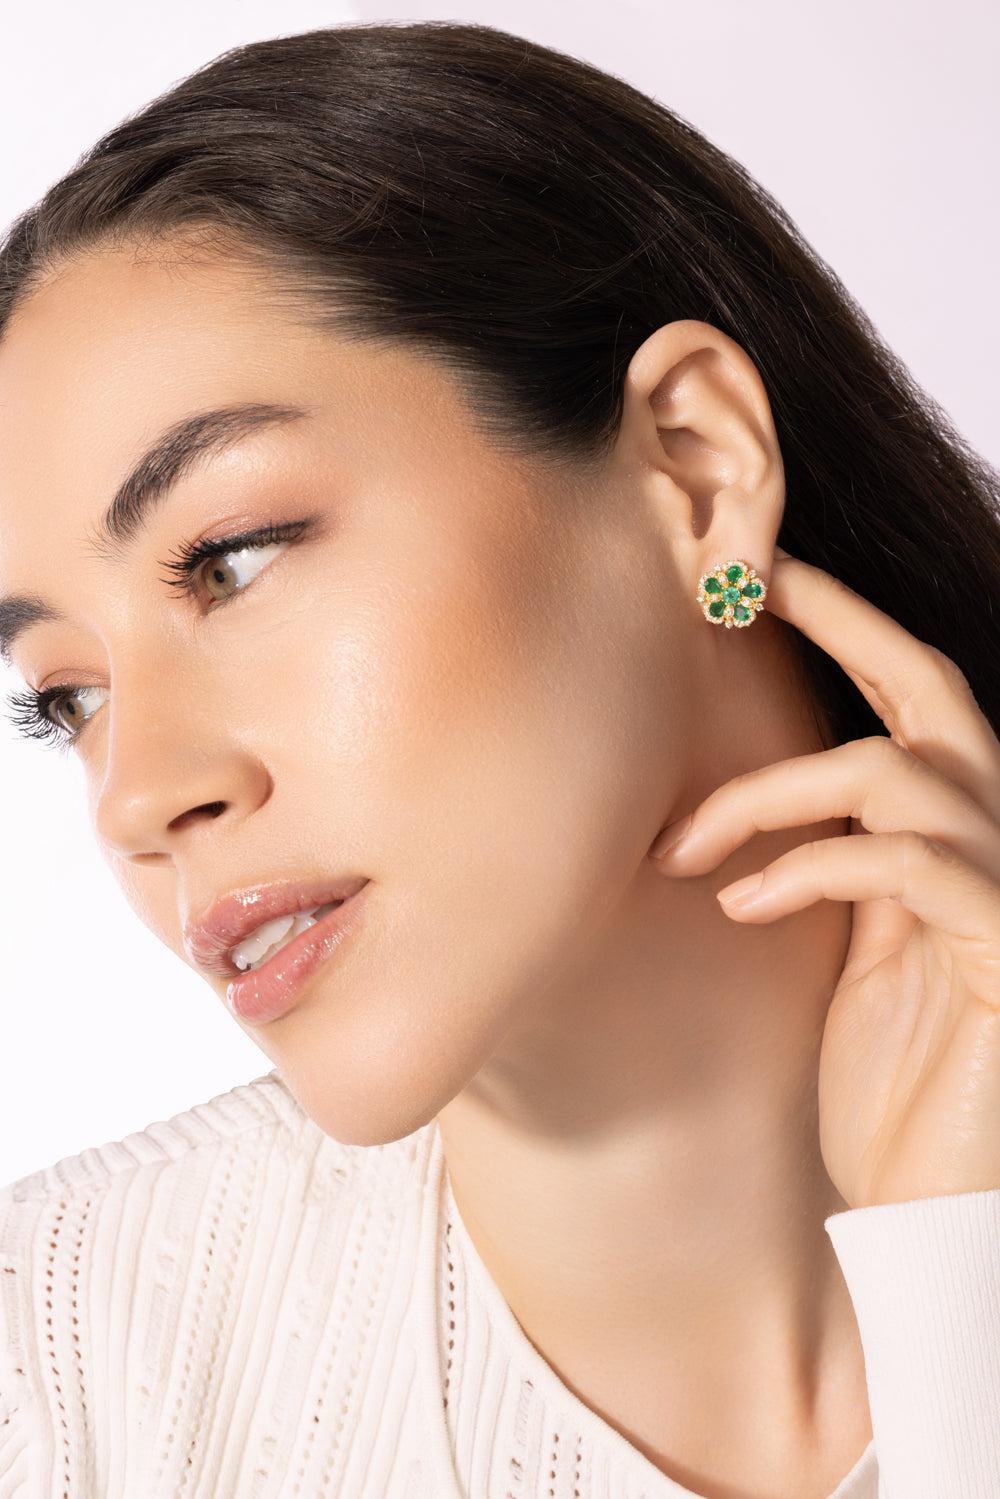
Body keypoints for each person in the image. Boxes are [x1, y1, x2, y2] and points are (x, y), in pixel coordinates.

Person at [1, 20, 998, 1499]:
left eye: (233, 558)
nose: (139, 795)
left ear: (696, 468)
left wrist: (964, 1283)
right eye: (64, 697)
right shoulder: (52, 1372)